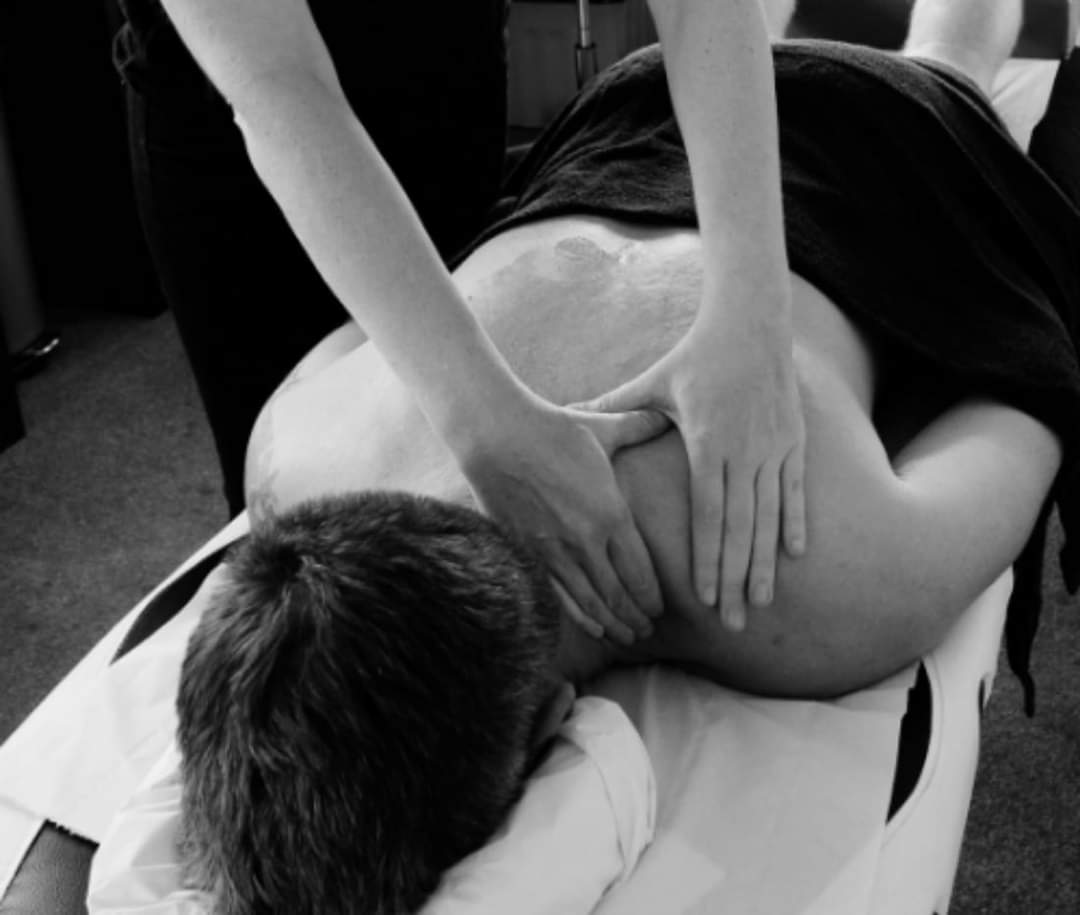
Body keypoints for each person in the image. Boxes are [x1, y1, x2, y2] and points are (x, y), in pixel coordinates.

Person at [175, 0, 1080, 911]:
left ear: (555, 727)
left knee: (952, 58)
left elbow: (1030, 394)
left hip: (890, 133)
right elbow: (342, 329)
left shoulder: (794, 578)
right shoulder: (294, 461)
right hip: (622, 114)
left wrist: (780, 338)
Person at [114, 0, 817, 648]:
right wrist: (489, 423)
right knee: (326, 586)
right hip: (256, 167)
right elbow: (280, 86)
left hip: (446, 89)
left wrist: (751, 309)